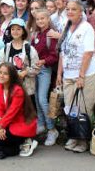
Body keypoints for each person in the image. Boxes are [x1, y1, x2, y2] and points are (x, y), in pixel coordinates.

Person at [56, 0, 95, 153]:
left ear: (81, 11)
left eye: (73, 9)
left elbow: (88, 53)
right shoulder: (66, 27)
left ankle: (83, 140)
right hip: (68, 74)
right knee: (70, 107)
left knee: (83, 108)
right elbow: (63, 52)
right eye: (68, 9)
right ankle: (74, 136)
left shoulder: (87, 28)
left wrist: (81, 75)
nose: (70, 12)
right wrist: (59, 73)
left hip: (87, 74)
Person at [0, 63, 38, 159]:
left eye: (5, 73)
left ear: (11, 76)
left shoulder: (17, 90)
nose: (1, 75)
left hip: (21, 123)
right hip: (8, 123)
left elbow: (11, 114)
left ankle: (26, 141)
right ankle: (16, 147)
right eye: (0, 72)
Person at [30, 9, 59, 146]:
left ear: (48, 19)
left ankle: (52, 129)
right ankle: (41, 124)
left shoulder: (50, 35)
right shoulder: (36, 34)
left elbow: (54, 56)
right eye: (38, 19)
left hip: (44, 70)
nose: (40, 21)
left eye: (43, 18)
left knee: (42, 99)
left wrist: (42, 61)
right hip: (34, 70)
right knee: (36, 98)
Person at [0, 18, 39, 100]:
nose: (15, 31)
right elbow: (0, 67)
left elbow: (37, 68)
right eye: (12, 29)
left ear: (23, 31)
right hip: (9, 88)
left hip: (26, 88)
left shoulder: (30, 49)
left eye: (18, 29)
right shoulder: (5, 48)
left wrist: (26, 72)